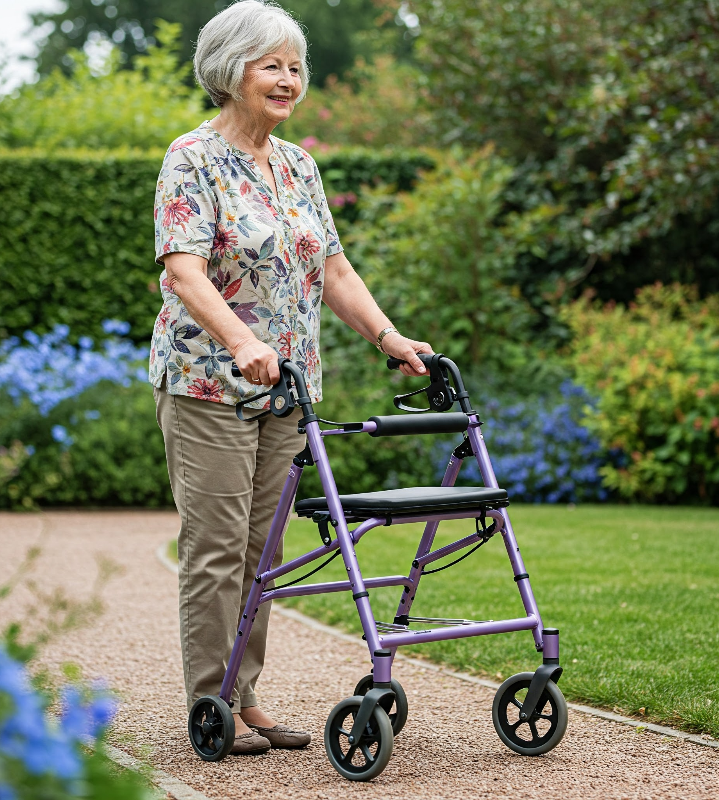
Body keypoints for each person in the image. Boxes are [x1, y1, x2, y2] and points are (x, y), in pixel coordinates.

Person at [150, 0, 433, 755]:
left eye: (295, 67)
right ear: (229, 71)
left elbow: (332, 268)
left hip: (290, 387)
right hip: (208, 381)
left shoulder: (299, 164)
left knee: (262, 550)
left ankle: (245, 698)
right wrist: (242, 340)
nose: (288, 80)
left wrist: (387, 335)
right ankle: (210, 701)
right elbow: (185, 271)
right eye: (271, 65)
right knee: (217, 544)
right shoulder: (192, 157)